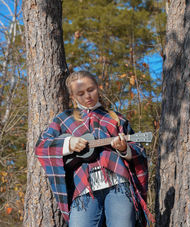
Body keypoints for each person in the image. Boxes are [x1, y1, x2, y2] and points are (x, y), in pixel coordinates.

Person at [35, 71, 153, 227]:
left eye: (91, 90)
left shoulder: (116, 118)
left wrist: (125, 149)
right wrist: (69, 144)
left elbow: (139, 150)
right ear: (72, 97)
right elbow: (41, 147)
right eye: (80, 93)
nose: (87, 96)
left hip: (119, 185)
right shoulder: (64, 119)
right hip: (83, 189)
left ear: (98, 88)